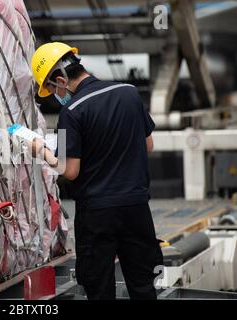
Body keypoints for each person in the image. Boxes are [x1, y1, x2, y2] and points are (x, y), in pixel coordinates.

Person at [29, 42, 164, 300]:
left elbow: (70, 171)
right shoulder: (129, 93)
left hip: (98, 214)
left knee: (99, 289)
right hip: (137, 208)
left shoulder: (72, 112)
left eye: (51, 88)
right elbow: (148, 144)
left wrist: (40, 150)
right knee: (143, 285)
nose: (54, 95)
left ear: (60, 79)